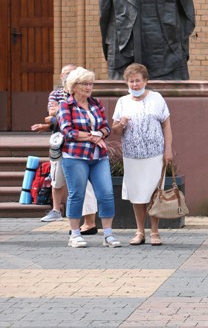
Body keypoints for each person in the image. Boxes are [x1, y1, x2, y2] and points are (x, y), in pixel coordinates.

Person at [57, 67, 120, 248]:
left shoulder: (96, 103)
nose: (89, 87)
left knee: (106, 194)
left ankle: (108, 234)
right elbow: (68, 132)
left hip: (98, 156)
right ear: (74, 86)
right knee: (77, 194)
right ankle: (75, 235)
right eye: (85, 84)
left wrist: (93, 134)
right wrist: (93, 136)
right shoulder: (65, 105)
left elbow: (106, 128)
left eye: (91, 84)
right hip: (75, 156)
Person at [32, 64, 98, 234]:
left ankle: (88, 222)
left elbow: (57, 117)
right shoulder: (57, 94)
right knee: (57, 177)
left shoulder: (86, 97)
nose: (69, 76)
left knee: (83, 184)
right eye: (66, 74)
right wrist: (53, 119)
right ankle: (58, 211)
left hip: (80, 147)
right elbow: (53, 114)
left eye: (72, 74)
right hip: (61, 142)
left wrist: (53, 118)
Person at [111, 63, 173, 246]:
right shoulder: (123, 102)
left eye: (138, 81)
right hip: (132, 155)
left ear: (145, 80)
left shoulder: (157, 98)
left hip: (154, 154)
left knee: (154, 193)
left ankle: (155, 232)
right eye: (131, 81)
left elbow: (167, 125)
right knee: (137, 194)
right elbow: (114, 130)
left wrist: (168, 149)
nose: (135, 85)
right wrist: (120, 123)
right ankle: (140, 232)